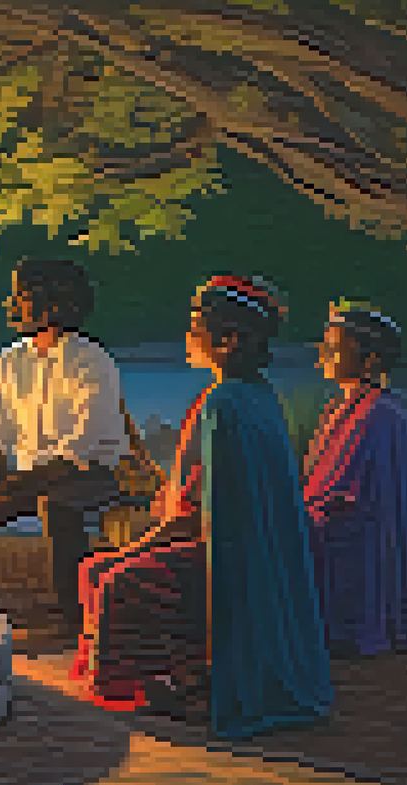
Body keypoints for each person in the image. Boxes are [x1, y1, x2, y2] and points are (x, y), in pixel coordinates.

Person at [70, 275, 332, 740]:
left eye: (197, 326)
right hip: (228, 544)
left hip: (220, 554)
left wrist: (140, 545)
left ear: (230, 339)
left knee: (114, 576)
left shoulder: (226, 404)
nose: (189, 336)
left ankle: (180, 681)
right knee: (98, 566)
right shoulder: (255, 395)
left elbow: (208, 513)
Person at [0, 258, 131, 633]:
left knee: (55, 503)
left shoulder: (90, 359)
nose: (12, 304)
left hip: (93, 474)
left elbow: (79, 450)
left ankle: (70, 617)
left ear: (52, 303)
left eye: (21, 296)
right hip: (25, 475)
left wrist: (13, 487)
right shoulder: (10, 361)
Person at [304, 299, 407, 656]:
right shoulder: (342, 408)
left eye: (335, 349)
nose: (323, 355)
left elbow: (345, 489)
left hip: (363, 534)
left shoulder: (379, 415)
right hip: (342, 520)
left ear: (371, 360)